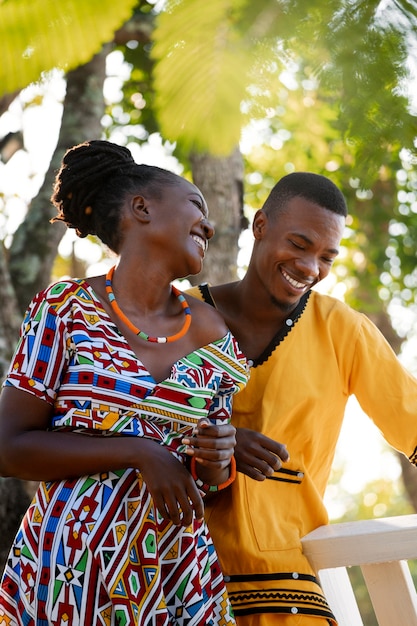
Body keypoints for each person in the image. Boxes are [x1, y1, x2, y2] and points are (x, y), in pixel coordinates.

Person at [0, 139, 249, 626]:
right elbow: (8, 448)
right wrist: (139, 451)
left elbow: (210, 482)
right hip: (71, 568)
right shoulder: (65, 307)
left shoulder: (212, 331)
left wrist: (218, 456)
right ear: (142, 208)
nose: (211, 224)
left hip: (179, 572)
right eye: (196, 205)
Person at [187, 171, 417, 626]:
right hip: (171, 573)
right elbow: (125, 426)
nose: (311, 267)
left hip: (286, 582)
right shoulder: (178, 317)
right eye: (299, 244)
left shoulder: (342, 329)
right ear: (260, 226)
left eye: (327, 257)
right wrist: (221, 441)